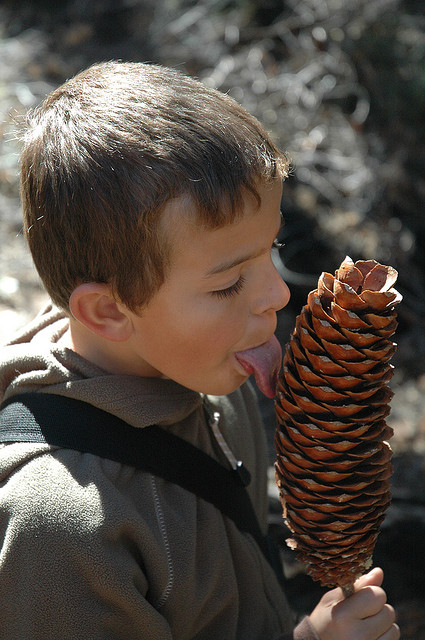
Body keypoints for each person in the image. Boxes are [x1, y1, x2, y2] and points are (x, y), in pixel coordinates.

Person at [0, 61, 399, 640]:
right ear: (109, 312)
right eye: (227, 283)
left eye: (271, 248)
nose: (277, 294)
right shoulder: (57, 534)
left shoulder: (210, 375)